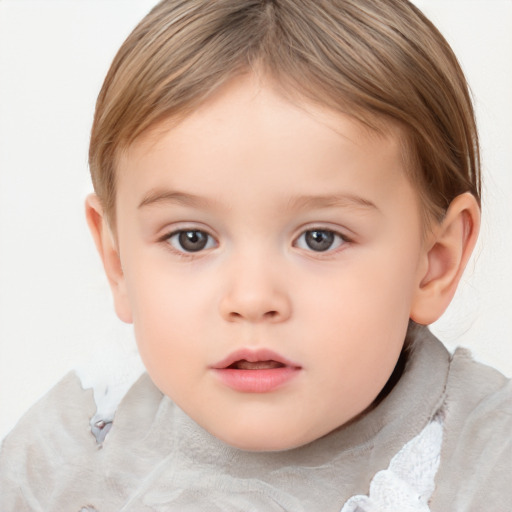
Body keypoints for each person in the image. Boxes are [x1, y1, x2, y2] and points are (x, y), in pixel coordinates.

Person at [1, 0, 510, 510]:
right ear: (118, 262)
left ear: (435, 261)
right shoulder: (79, 441)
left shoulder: (486, 466)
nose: (251, 298)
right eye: (191, 239)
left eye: (320, 238)